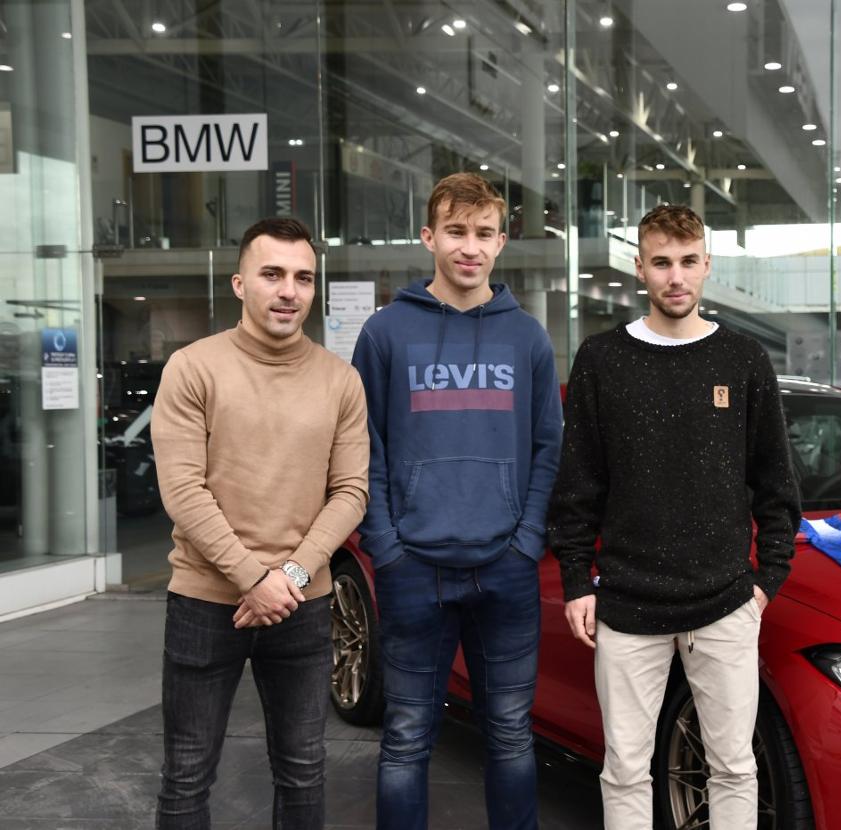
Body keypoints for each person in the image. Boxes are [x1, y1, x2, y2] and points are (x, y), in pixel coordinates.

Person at [548, 203, 801, 829]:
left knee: (736, 767)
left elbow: (776, 483)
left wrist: (764, 584)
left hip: (725, 606)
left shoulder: (742, 359)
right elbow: (579, 483)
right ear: (640, 269)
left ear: (707, 265)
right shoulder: (602, 360)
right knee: (626, 769)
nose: (676, 277)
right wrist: (578, 580)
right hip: (628, 606)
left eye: (688, 262)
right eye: (662, 263)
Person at [351, 172, 562, 830]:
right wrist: (384, 547)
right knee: (407, 738)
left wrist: (527, 540)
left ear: (502, 242)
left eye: (483, 234)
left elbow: (549, 448)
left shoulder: (526, 337)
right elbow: (365, 447)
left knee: (508, 735)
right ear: (428, 237)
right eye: (455, 232)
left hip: (505, 565)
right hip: (413, 566)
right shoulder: (385, 333)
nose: (469, 247)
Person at [151, 217, 370, 829]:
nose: (288, 291)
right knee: (187, 774)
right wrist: (254, 578)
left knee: (303, 770)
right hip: (203, 602)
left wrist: (291, 576)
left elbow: (351, 492)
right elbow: (184, 491)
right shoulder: (193, 368)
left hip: (302, 604)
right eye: (272, 274)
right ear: (240, 282)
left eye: (303, 277)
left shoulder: (339, 380)